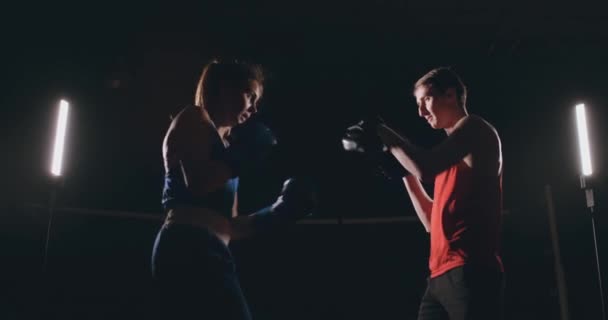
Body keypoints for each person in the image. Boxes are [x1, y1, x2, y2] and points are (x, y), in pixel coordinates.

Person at [150, 59, 316, 320]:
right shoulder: (194, 117)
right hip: (188, 246)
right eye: (250, 95)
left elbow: (230, 226)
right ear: (226, 89)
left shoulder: (228, 152)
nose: (254, 107)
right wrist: (245, 154)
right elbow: (199, 184)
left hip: (211, 250)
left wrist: (279, 212)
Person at [362, 67, 504, 319]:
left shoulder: (475, 128)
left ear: (450, 95)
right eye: (418, 104)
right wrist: (403, 174)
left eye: (426, 99)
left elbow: (425, 168)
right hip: (439, 275)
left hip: (470, 269)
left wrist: (381, 130)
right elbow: (431, 220)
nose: (421, 112)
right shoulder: (450, 155)